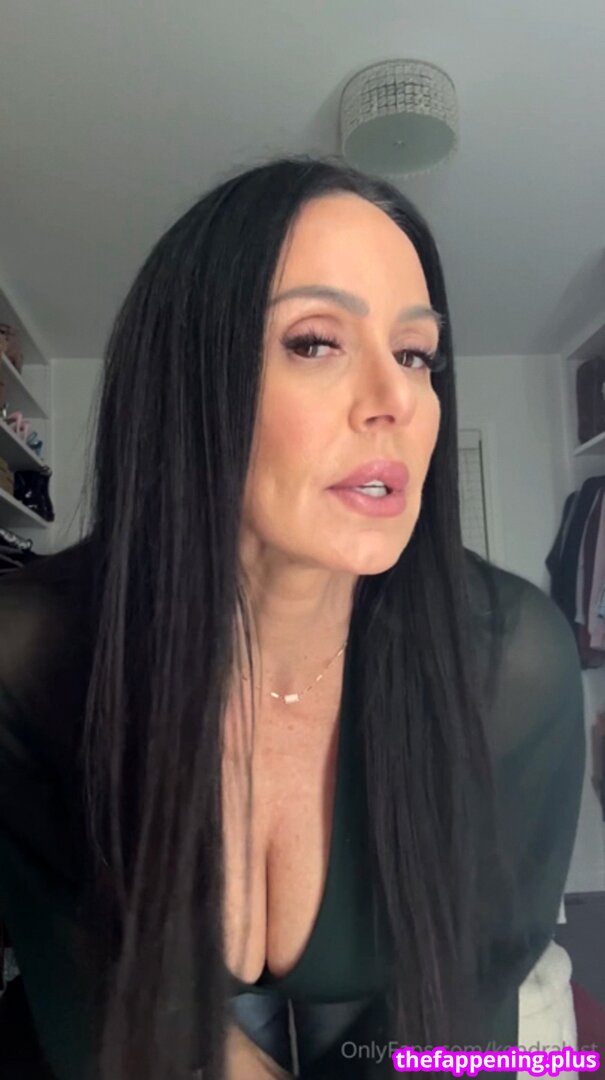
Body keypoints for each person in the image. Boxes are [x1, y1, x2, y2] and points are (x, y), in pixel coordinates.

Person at [0, 156, 585, 1080]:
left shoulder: (509, 664)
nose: (396, 401)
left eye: (415, 354)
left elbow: (465, 1006)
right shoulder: (32, 654)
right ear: (186, 382)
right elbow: (83, 986)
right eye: (315, 342)